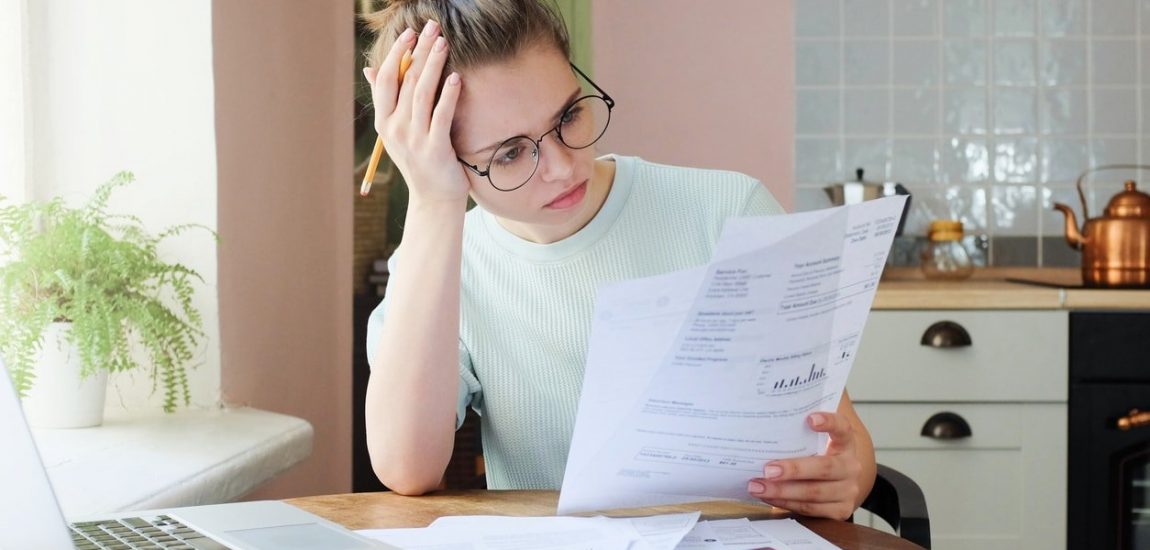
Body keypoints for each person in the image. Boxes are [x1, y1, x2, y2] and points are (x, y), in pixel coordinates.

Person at [362, 0, 875, 521]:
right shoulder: (442, 265)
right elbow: (406, 468)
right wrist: (432, 203)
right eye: (509, 154)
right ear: (440, 157)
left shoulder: (729, 211)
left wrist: (848, 473)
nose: (563, 168)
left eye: (568, 116)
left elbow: (843, 437)